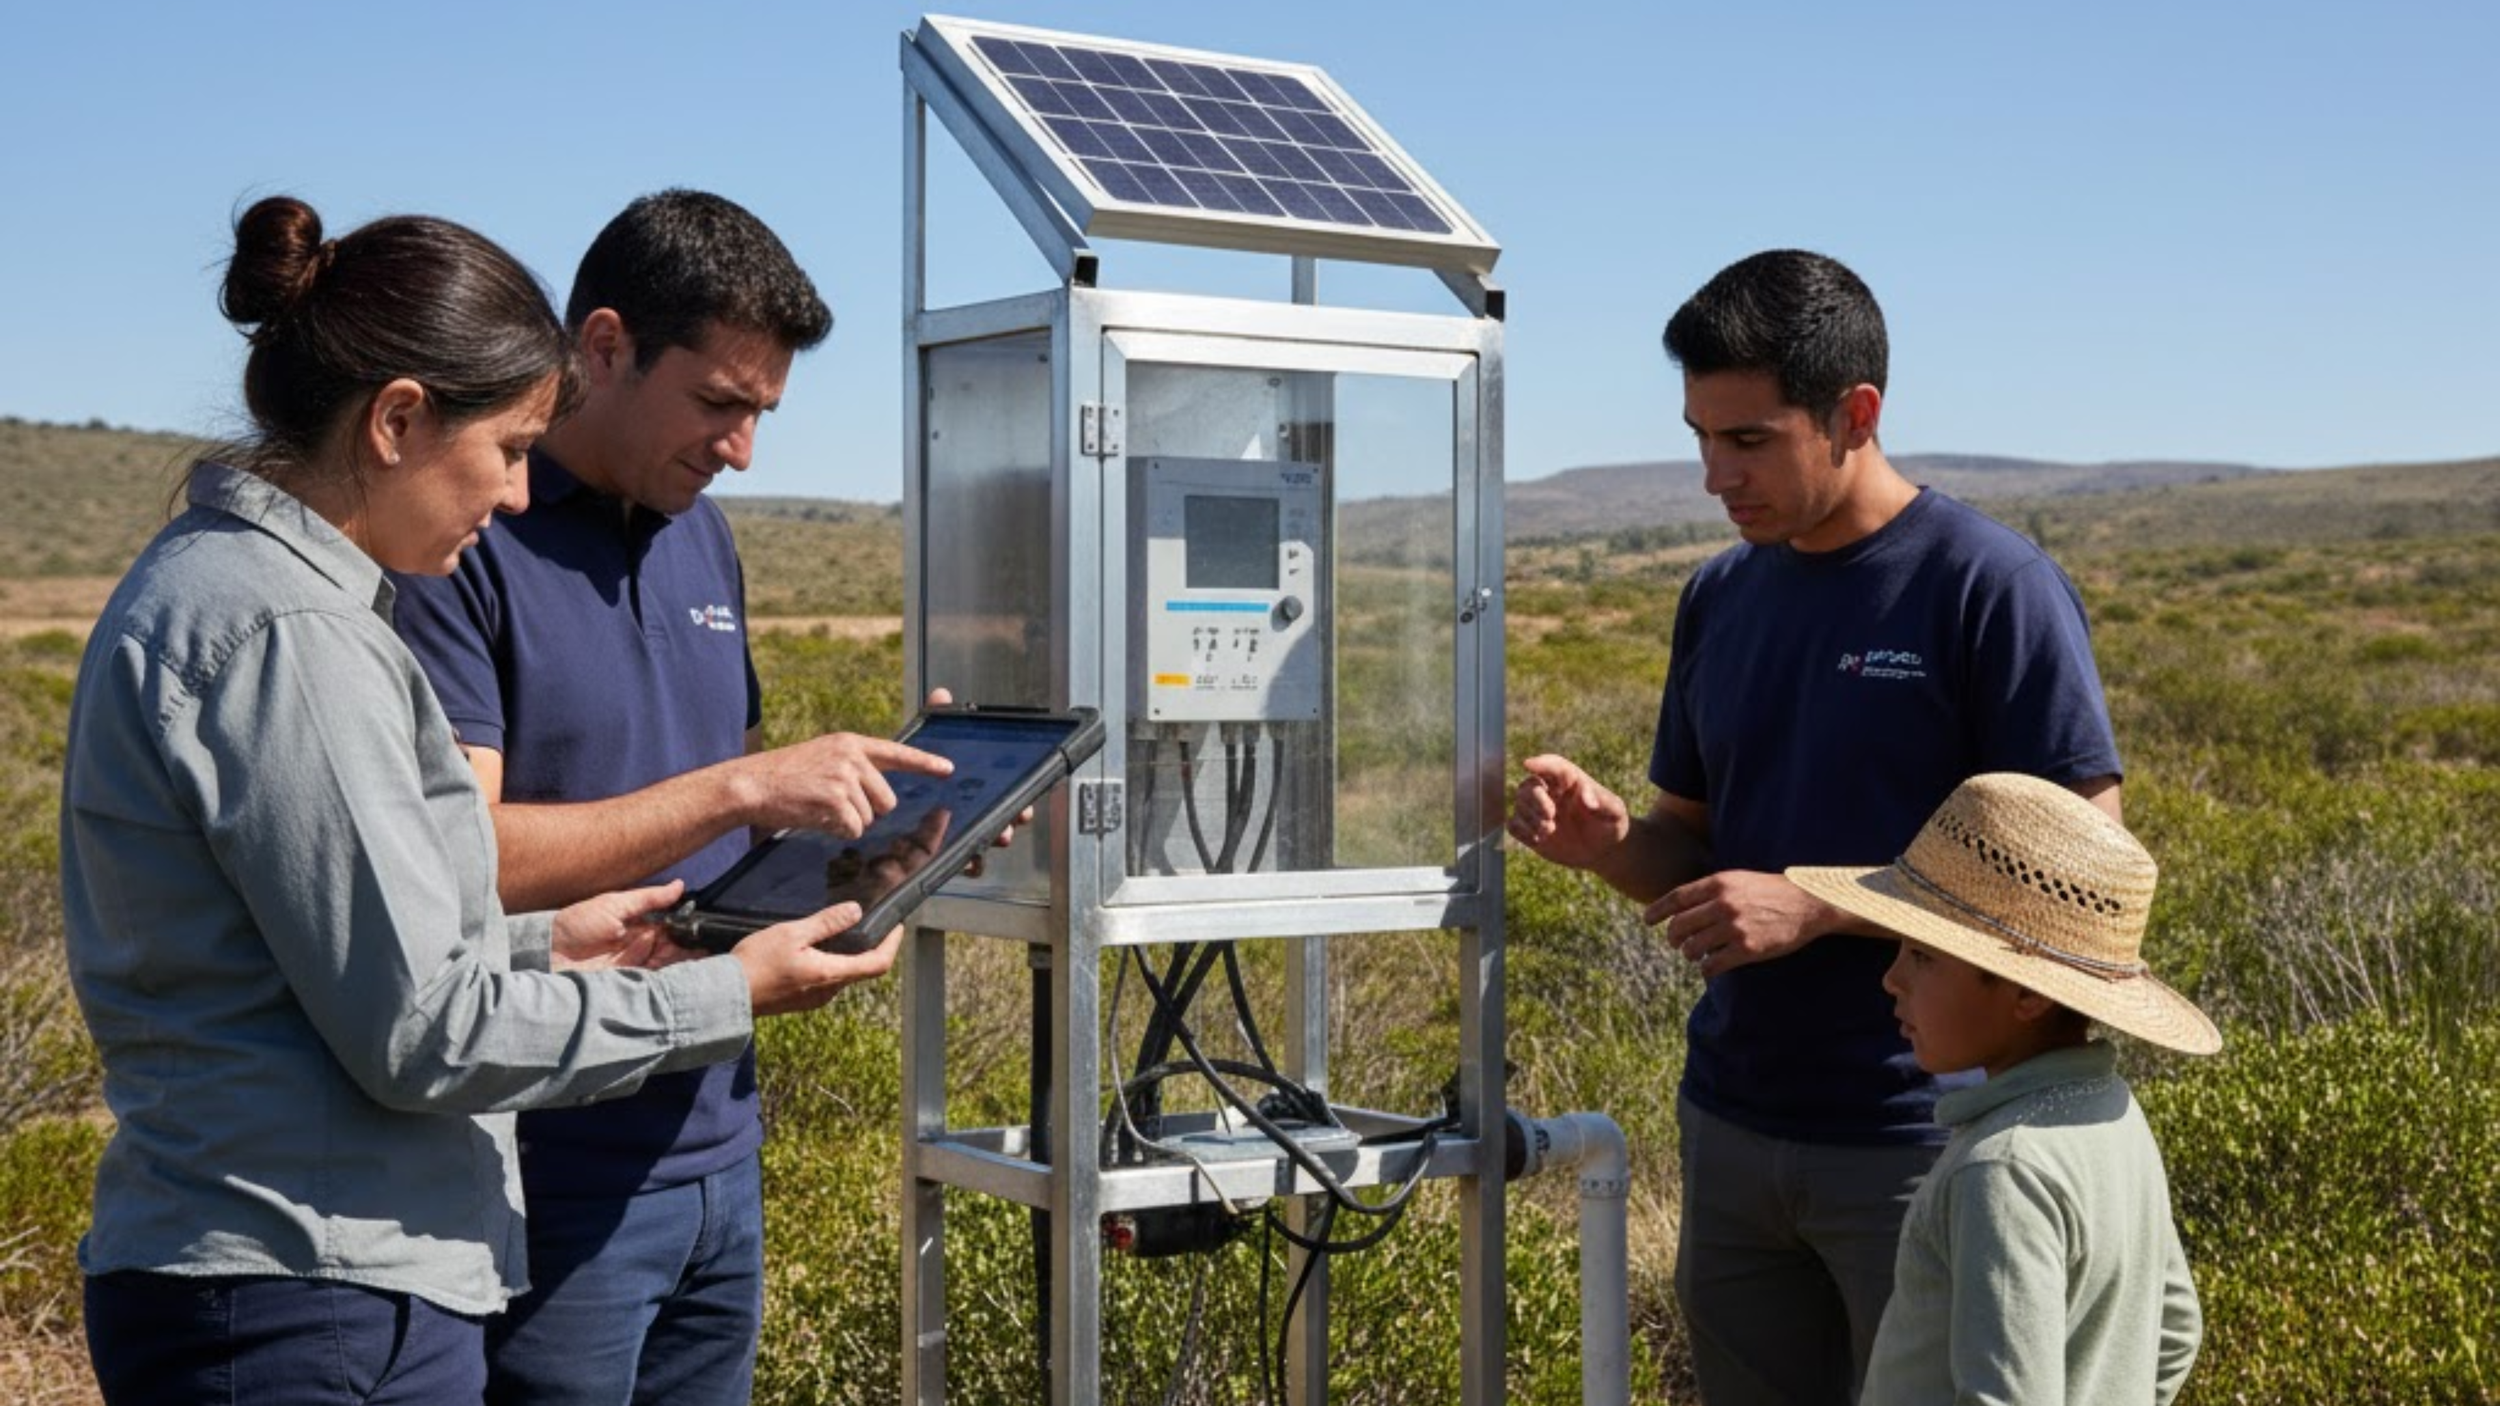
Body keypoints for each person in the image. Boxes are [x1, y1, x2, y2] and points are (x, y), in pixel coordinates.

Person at [60, 196, 898, 1405]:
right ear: (400, 419)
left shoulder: (261, 597)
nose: (512, 495)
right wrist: (723, 989)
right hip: (312, 1284)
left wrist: (546, 941)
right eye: (506, 448)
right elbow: (422, 1032)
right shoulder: (291, 630)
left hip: (327, 1276)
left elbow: (332, 955)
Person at [1505, 249, 2123, 1405]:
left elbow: (2080, 878)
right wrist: (1605, 845)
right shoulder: (1721, 595)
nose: (1711, 476)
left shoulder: (1988, 587)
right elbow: (1692, 853)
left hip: (1922, 1132)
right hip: (1734, 1116)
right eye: (1699, 436)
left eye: (1747, 440)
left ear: (1855, 413)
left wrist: (1820, 903)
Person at [388, 189, 949, 1406]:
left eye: (762, 413)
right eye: (718, 403)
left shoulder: (706, 539)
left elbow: (741, 834)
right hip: (544, 1156)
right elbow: (457, 857)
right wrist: (740, 782)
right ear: (602, 348)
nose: (741, 448)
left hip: (717, 1145)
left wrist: (871, 849)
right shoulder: (460, 538)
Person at [1787, 770, 2216, 1404]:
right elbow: (2175, 1329)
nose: (1892, 979)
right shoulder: (2114, 1114)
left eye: (1924, 956)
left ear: (2028, 993)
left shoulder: (2001, 1168)